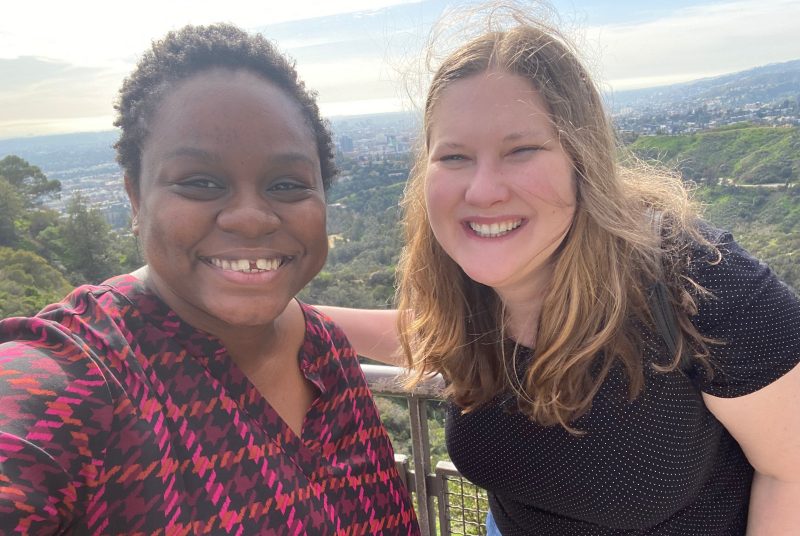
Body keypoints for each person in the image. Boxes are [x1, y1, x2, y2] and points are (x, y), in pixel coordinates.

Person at [318, 7, 800, 535]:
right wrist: (289, 319)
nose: (482, 190)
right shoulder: (475, 290)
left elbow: (789, 472)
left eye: (521, 150)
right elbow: (431, 335)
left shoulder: (700, 283)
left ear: (582, 160)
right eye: (453, 157)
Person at [0, 24, 419, 535]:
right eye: (200, 182)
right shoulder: (77, 380)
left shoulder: (325, 351)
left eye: (287, 185)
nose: (250, 217)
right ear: (135, 198)